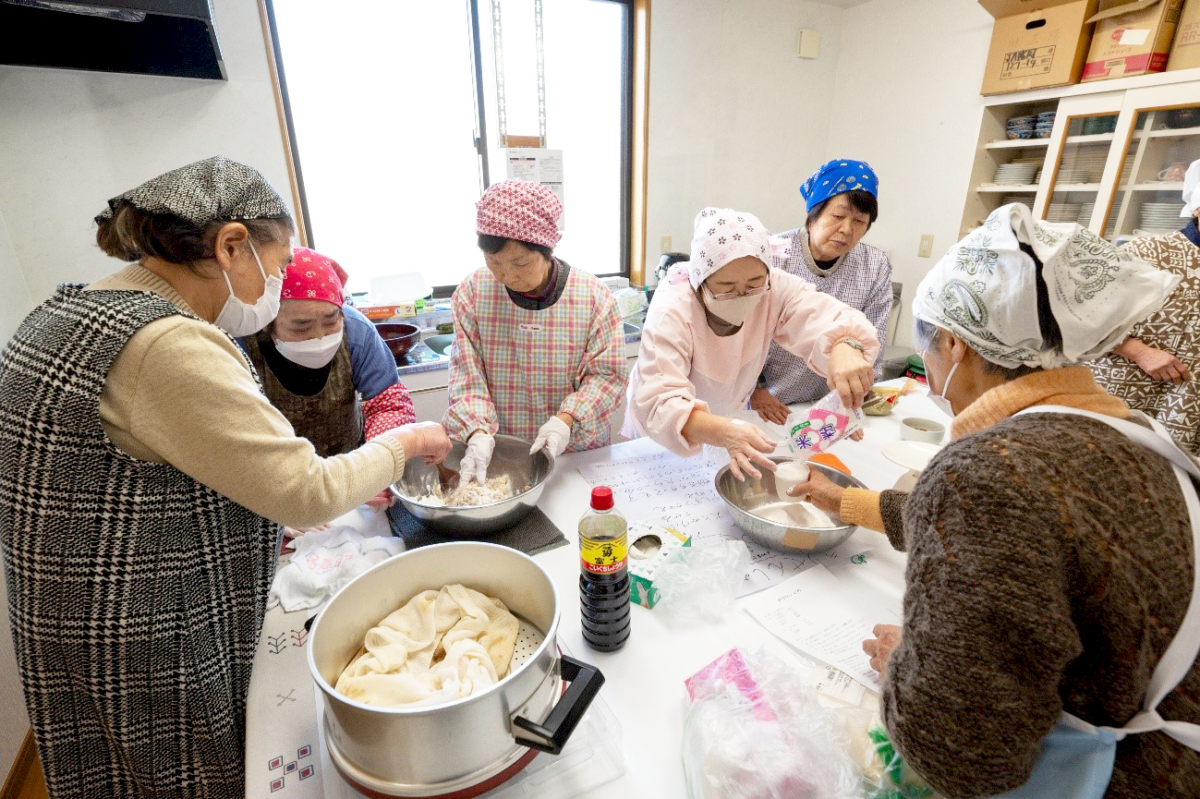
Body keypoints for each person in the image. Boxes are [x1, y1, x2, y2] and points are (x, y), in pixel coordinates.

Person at [0, 157, 452, 799]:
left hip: (72, 612)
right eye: (276, 263)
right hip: (146, 624)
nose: (277, 283)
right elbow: (306, 489)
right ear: (231, 246)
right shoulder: (166, 344)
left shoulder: (73, 311)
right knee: (179, 774)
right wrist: (404, 444)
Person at [797, 203, 1199, 798]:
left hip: (1124, 777)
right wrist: (848, 503)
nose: (929, 374)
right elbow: (1028, 533)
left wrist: (912, 669)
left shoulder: (986, 473)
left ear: (955, 348)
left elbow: (963, 753)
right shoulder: (1132, 433)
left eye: (928, 349)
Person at [622, 207, 878, 480]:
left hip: (727, 423)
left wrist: (845, 345)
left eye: (755, 282)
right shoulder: (673, 310)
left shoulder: (774, 288)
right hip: (663, 437)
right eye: (726, 286)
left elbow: (826, 314)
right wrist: (722, 431)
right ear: (700, 279)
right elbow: (660, 402)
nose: (742, 296)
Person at [445, 179, 628, 483]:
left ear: (546, 248)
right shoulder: (473, 294)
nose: (507, 275)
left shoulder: (593, 296)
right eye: (494, 262)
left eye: (520, 262)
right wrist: (477, 432)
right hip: (503, 455)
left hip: (576, 455)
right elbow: (467, 377)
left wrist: (566, 421)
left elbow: (606, 378)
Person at [242, 246, 417, 527]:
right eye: (301, 327)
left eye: (330, 320)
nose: (319, 337)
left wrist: (380, 468)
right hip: (278, 482)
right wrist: (272, 512)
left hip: (352, 472)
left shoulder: (357, 332)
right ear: (268, 320)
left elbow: (388, 403)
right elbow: (237, 439)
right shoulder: (241, 344)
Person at [750, 159, 893, 425]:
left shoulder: (875, 266)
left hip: (830, 403)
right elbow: (745, 332)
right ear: (814, 212)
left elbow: (876, 334)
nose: (847, 230)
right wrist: (754, 390)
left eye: (860, 221)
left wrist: (854, 392)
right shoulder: (774, 254)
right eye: (838, 216)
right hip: (768, 402)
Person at [1089, 159, 1200, 454]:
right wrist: (1139, 351)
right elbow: (1077, 314)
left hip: (1183, 419)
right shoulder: (1146, 252)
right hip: (1117, 403)